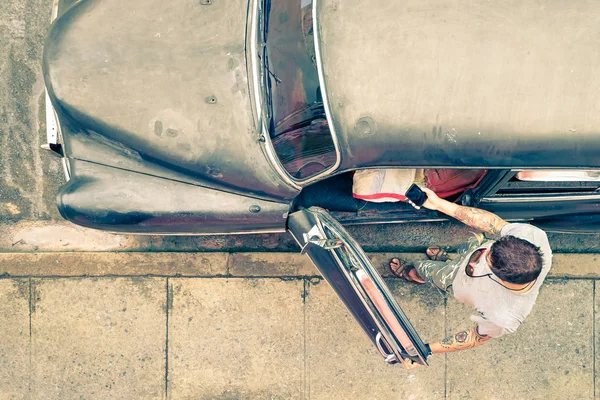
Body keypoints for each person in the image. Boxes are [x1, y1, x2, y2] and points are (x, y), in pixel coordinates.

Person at [390, 187, 552, 369]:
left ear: (502, 279)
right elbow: (496, 224)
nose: (484, 253)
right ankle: (446, 261)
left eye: (487, 260)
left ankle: (413, 274)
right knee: (470, 247)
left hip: (453, 281)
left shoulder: (504, 317)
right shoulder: (534, 237)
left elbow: (475, 337)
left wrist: (425, 350)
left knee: (426, 269)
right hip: (465, 260)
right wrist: (438, 204)